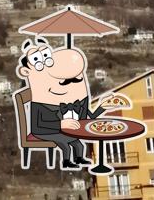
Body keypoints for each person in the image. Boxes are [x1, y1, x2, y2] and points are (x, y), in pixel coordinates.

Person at [16, 36, 109, 170]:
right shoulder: (39, 103)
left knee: (78, 144)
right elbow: (38, 125)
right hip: (42, 131)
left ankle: (79, 158)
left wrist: (102, 107)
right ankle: (66, 161)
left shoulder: (67, 101)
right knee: (65, 142)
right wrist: (60, 124)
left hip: (59, 128)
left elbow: (89, 117)